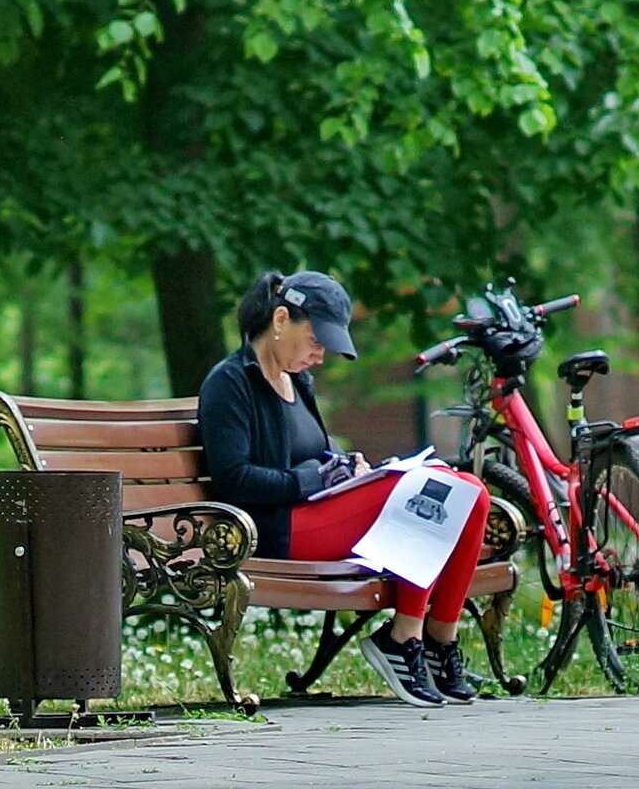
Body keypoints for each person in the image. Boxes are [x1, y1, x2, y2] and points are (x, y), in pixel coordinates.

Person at [198, 270, 490, 707]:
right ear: (281, 319)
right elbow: (233, 478)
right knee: (422, 489)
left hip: (317, 513)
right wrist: (315, 477)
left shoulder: (298, 381)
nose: (320, 355)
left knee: (471, 493)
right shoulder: (231, 382)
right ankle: (401, 638)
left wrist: (345, 465)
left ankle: (437, 641)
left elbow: (316, 450)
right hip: (272, 530)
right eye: (316, 340)